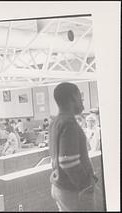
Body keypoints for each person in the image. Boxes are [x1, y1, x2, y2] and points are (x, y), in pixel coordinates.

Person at [48, 82, 98, 211]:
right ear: (72, 99)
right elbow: (67, 162)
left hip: (60, 186)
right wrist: (85, 184)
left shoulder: (56, 122)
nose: (82, 102)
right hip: (73, 190)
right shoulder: (69, 123)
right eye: (80, 98)